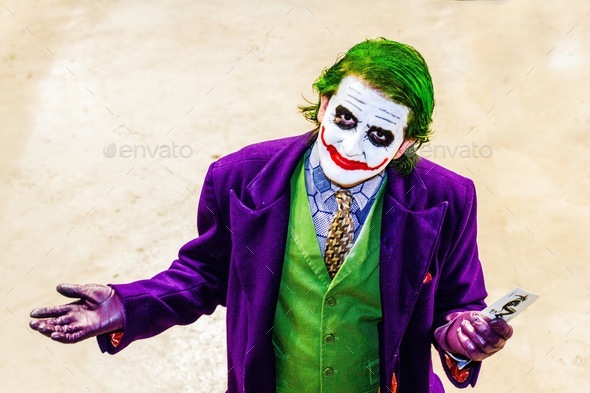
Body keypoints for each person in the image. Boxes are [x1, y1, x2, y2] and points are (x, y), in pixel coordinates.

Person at [30, 38, 513, 393]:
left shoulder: (448, 198)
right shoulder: (240, 178)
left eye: (380, 136)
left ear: (407, 143)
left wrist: (460, 334)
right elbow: (205, 273)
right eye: (344, 118)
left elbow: (458, 302)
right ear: (324, 104)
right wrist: (129, 304)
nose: (351, 145)